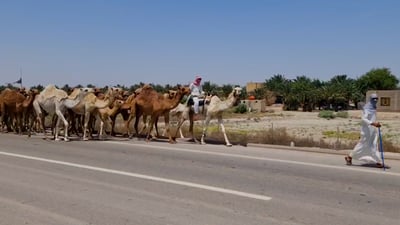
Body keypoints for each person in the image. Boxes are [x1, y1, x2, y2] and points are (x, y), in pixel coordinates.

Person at [345, 93, 383, 168]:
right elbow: (364, 119)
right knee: (364, 145)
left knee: (373, 145)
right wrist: (373, 123)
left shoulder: (373, 107)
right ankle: (379, 161)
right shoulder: (367, 108)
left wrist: (376, 124)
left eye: (376, 99)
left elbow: (372, 118)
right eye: (373, 99)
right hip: (366, 131)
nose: (375, 100)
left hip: (372, 130)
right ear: (370, 99)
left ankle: (349, 157)